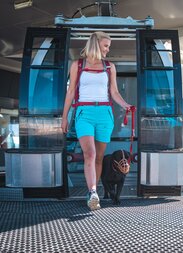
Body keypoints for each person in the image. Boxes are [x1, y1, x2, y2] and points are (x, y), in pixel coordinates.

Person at [61, 31, 131, 211]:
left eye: (109, 46)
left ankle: (94, 193)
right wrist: (64, 117)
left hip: (105, 114)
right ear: (96, 44)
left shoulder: (110, 67)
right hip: (84, 112)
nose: (108, 50)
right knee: (90, 154)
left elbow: (114, 92)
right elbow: (70, 92)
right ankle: (92, 192)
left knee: (99, 157)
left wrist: (125, 105)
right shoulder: (78, 65)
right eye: (106, 46)